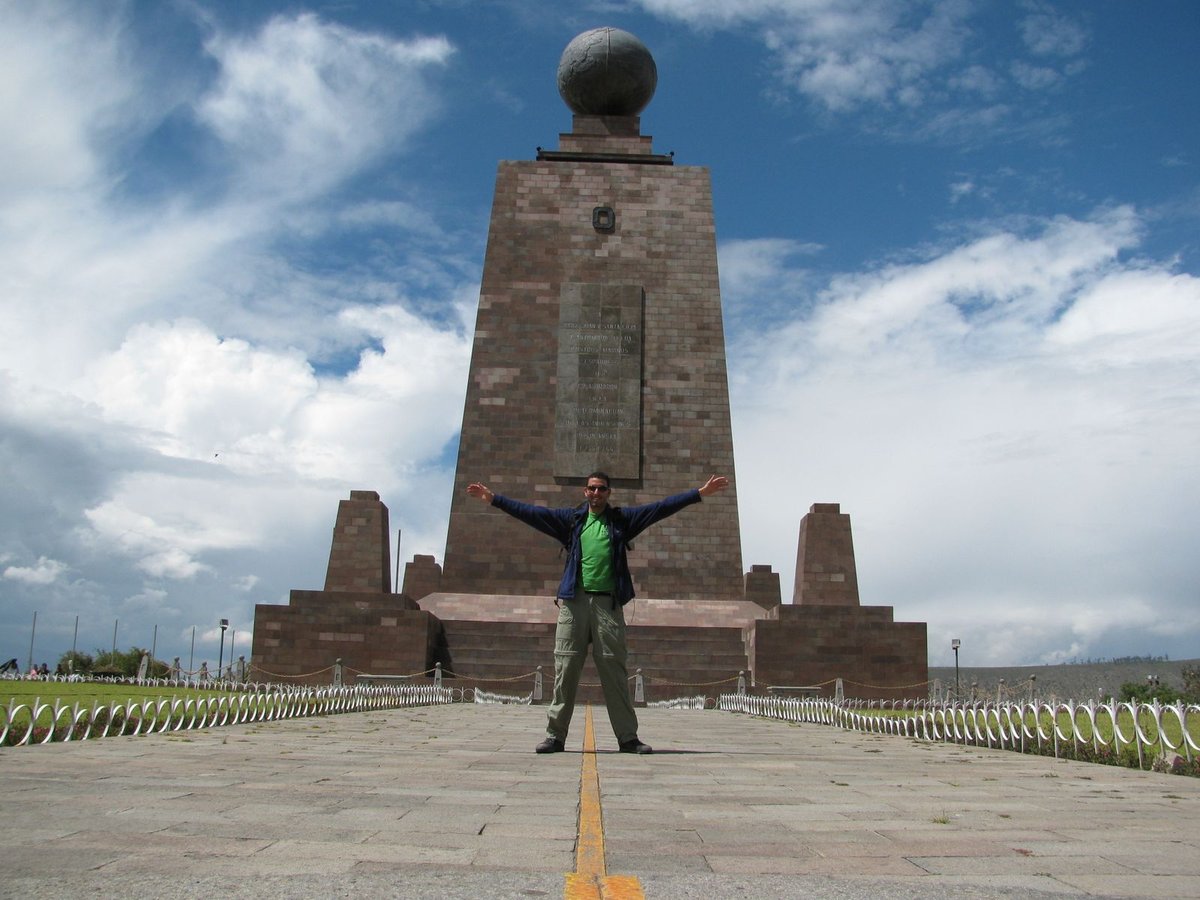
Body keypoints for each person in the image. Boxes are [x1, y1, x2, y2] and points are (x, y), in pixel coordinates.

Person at [466, 471, 730, 754]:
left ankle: (628, 738)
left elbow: (659, 509)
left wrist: (699, 494)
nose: (596, 493)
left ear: (608, 493)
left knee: (615, 672)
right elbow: (532, 513)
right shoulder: (571, 521)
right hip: (574, 603)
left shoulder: (621, 522)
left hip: (608, 605)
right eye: (592, 488)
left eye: (601, 489)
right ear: (585, 491)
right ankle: (555, 736)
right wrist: (493, 499)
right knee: (565, 671)